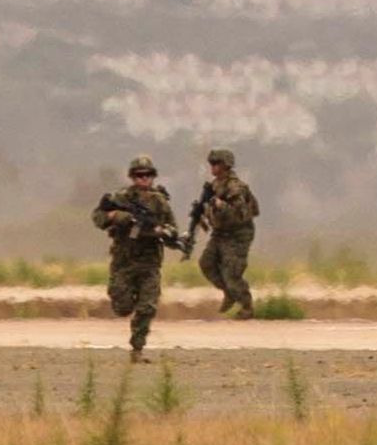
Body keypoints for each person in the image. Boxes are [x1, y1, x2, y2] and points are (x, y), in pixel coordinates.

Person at [92, 155, 183, 359]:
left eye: (148, 175)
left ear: (153, 177)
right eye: (139, 175)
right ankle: (121, 301)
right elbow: (97, 217)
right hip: (124, 261)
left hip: (149, 262)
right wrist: (114, 216)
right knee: (122, 306)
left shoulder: (160, 203)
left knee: (147, 307)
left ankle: (137, 348)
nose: (144, 179)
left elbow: (173, 230)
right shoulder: (121, 198)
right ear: (133, 177)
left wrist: (164, 232)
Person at [190, 148, 259, 317]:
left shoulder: (235, 187)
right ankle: (230, 293)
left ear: (226, 165)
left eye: (216, 163)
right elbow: (210, 211)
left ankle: (246, 306)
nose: (212, 167)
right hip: (221, 232)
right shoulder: (214, 186)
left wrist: (222, 206)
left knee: (231, 271)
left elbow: (240, 214)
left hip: (238, 234)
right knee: (206, 263)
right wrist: (202, 214)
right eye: (211, 163)